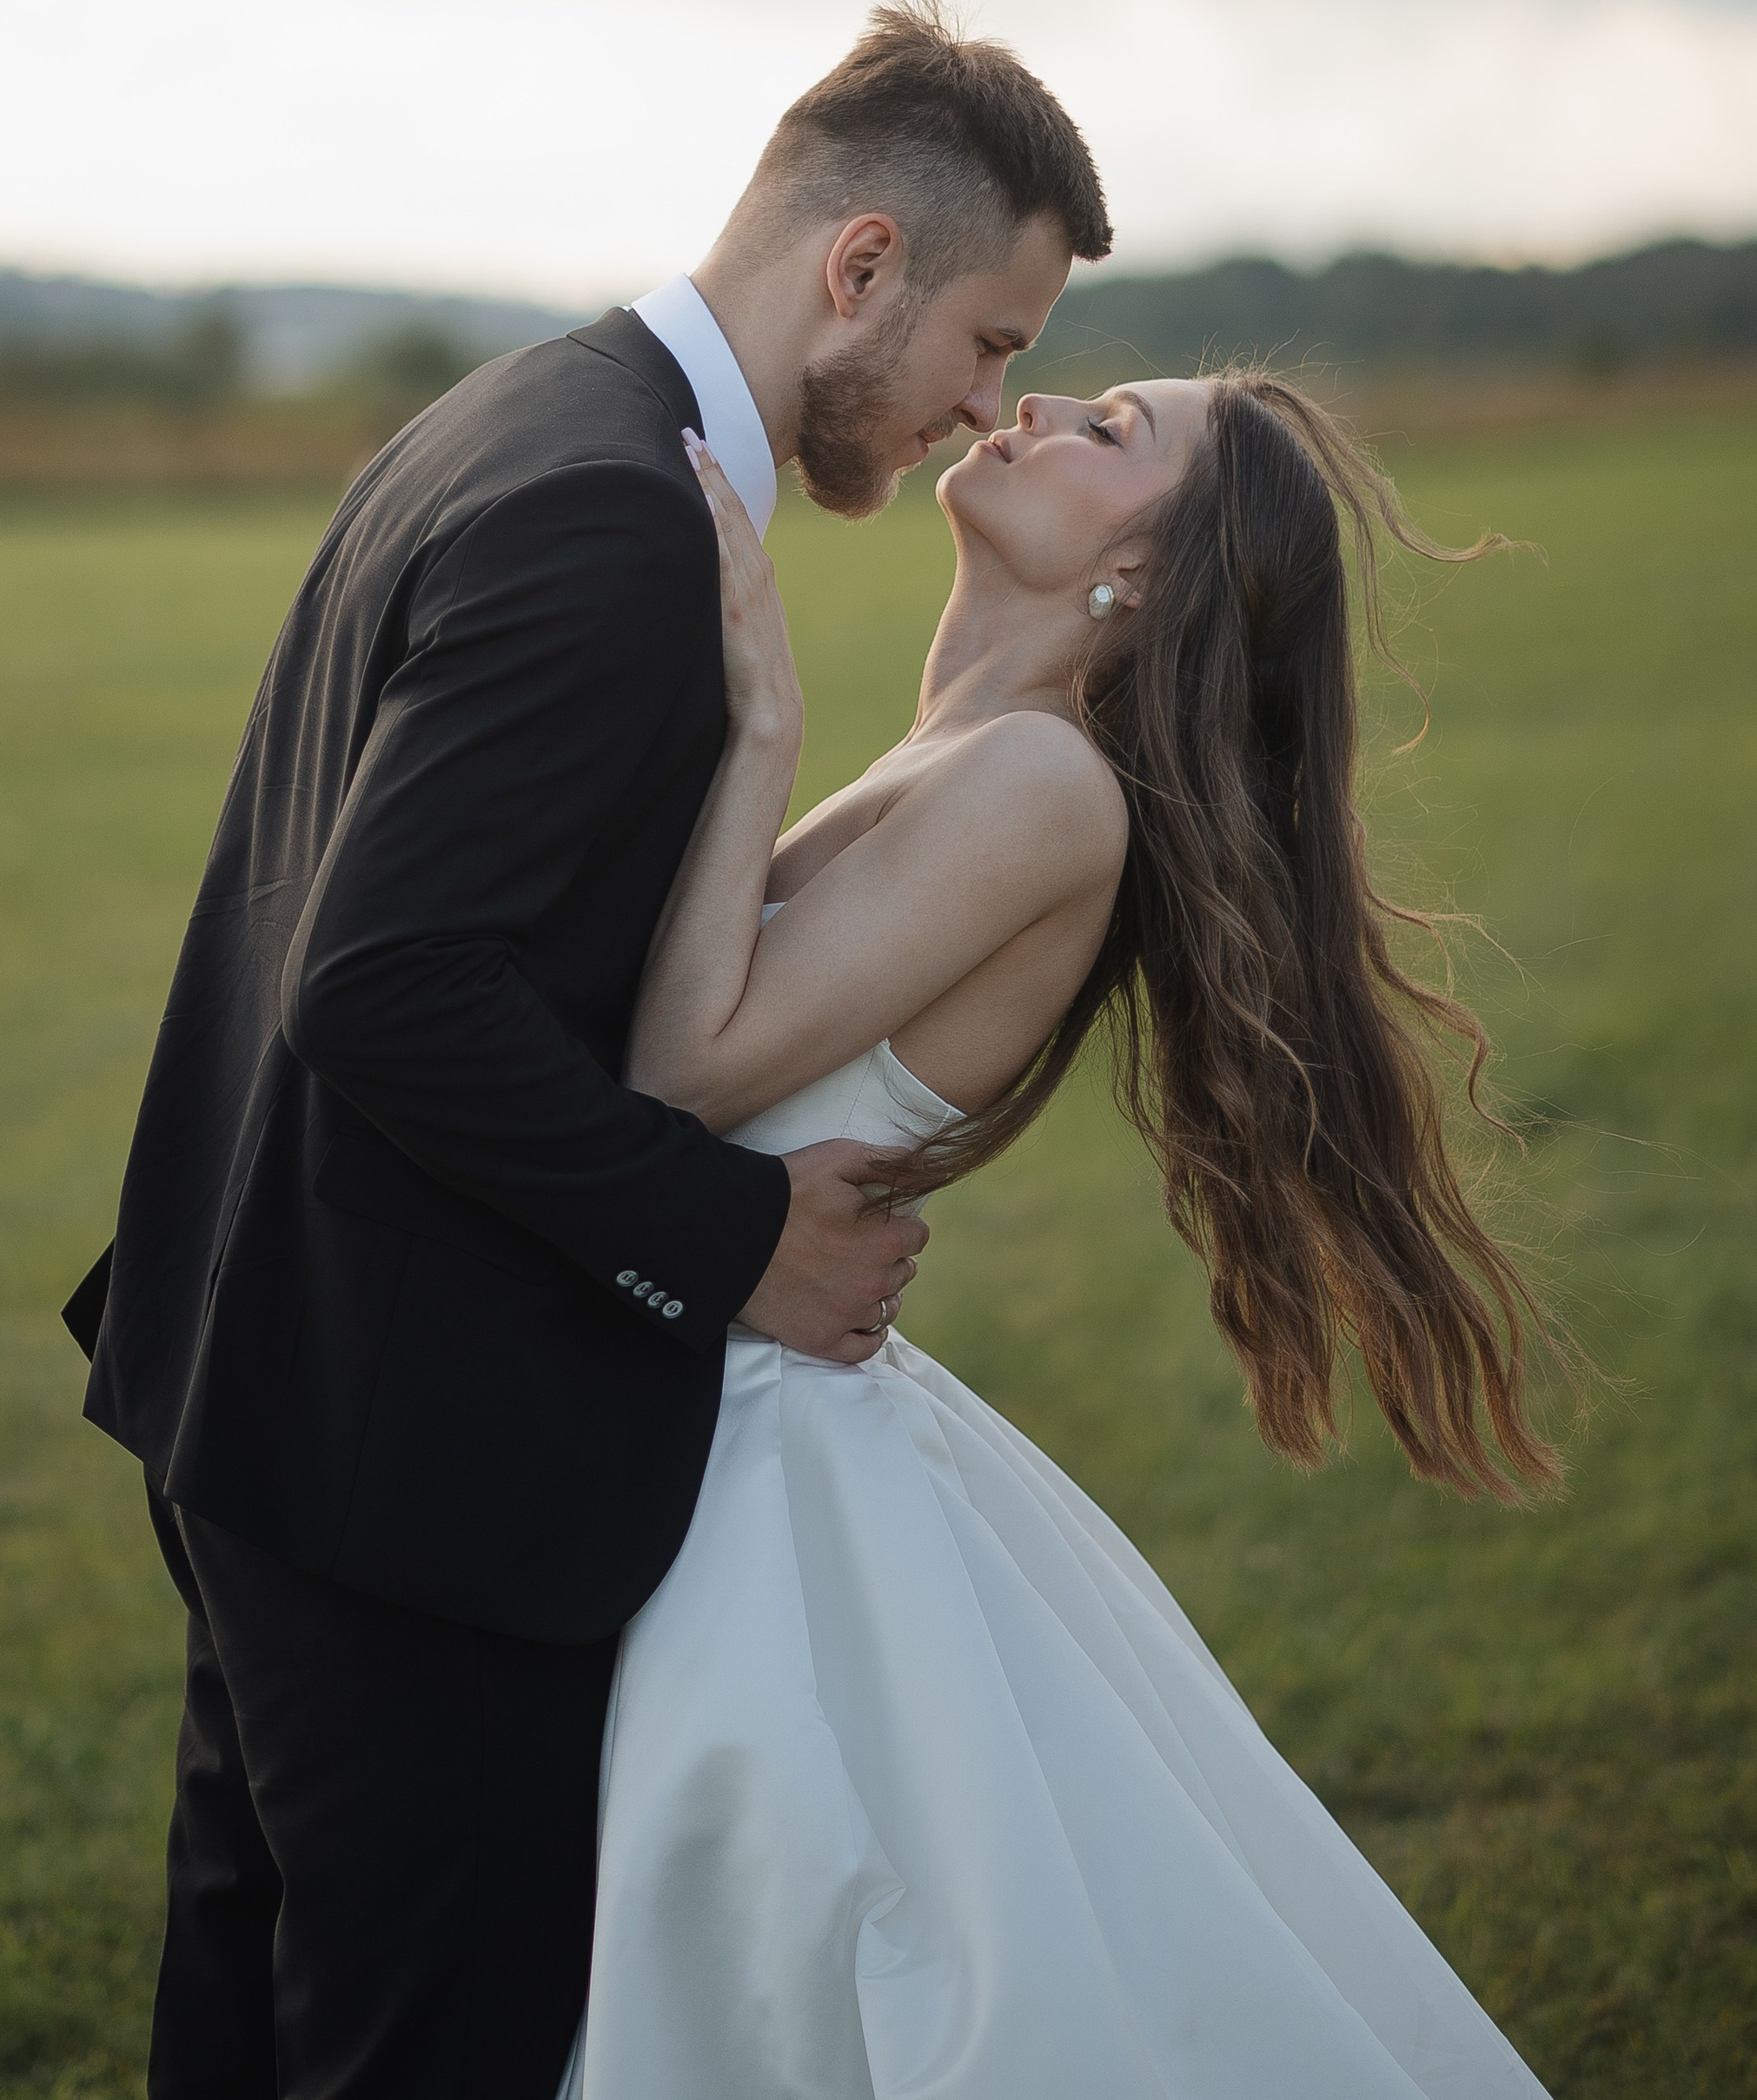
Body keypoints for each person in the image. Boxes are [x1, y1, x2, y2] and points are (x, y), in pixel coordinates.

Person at [61, 0, 1113, 2096]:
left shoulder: (524, 415)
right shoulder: (607, 512)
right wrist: (731, 1236)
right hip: (405, 1466)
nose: (983, 409)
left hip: (267, 1376)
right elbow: (382, 980)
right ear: (861, 264)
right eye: (988, 343)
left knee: (244, 2020)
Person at [556, 378, 1561, 2098]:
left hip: (758, 1483)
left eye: (1111, 430)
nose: (1039, 401)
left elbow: (674, 1075)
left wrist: (760, 722)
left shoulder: (1037, 783)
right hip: (704, 1406)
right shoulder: (961, 752)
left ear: (1142, 575)